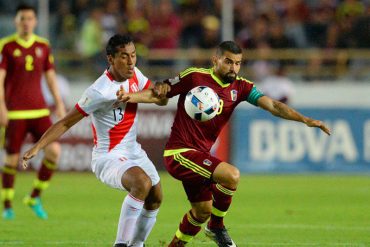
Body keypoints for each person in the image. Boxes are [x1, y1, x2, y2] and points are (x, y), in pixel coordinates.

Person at [116, 41, 331, 247]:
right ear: (215, 60)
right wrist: (130, 96)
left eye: (238, 63)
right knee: (231, 175)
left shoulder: (242, 87)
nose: (234, 67)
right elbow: (159, 93)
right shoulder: (194, 77)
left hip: (199, 156)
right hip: (179, 153)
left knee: (202, 211)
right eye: (228, 61)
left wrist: (305, 120)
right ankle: (217, 227)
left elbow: (274, 105)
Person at [22, 34, 166, 247]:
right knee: (141, 183)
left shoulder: (135, 74)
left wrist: (144, 94)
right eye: (124, 57)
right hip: (108, 157)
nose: (131, 62)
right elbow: (65, 122)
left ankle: (137, 244)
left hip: (134, 150)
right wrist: (38, 146)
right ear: (110, 59)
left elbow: (160, 99)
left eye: (133, 56)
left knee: (155, 197)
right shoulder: (99, 90)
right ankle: (121, 244)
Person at [0, 4, 66, 220]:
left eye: (29, 18)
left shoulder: (43, 46)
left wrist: (58, 103)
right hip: (16, 113)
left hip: (39, 111)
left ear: (35, 21)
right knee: (11, 160)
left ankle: (34, 196)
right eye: (22, 18)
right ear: (16, 21)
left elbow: (50, 77)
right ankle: (7, 205)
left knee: (54, 151)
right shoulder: (6, 46)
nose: (26, 22)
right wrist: (1, 107)